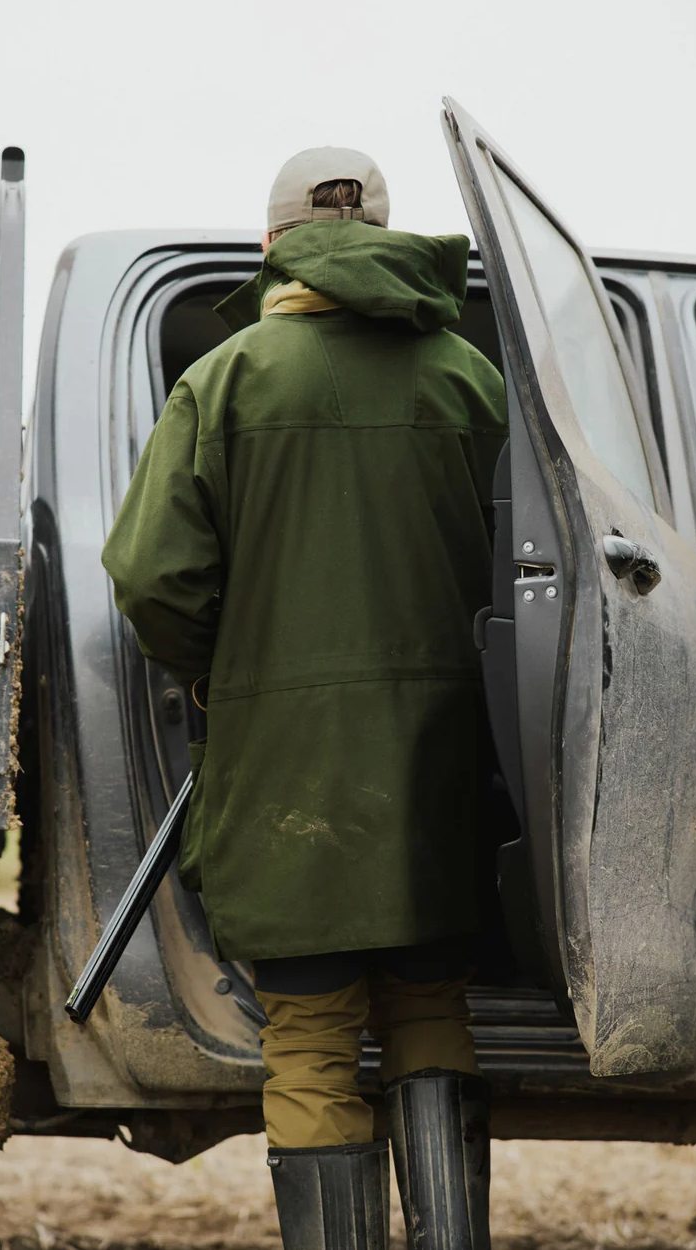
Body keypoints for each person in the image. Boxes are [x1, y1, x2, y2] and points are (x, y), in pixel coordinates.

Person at [101, 147, 508, 1250]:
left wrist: (213, 667)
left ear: (272, 243)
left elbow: (148, 573)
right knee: (430, 1004)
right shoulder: (469, 377)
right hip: (440, 767)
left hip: (287, 775)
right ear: (382, 230)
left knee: (314, 1034)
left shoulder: (228, 376)